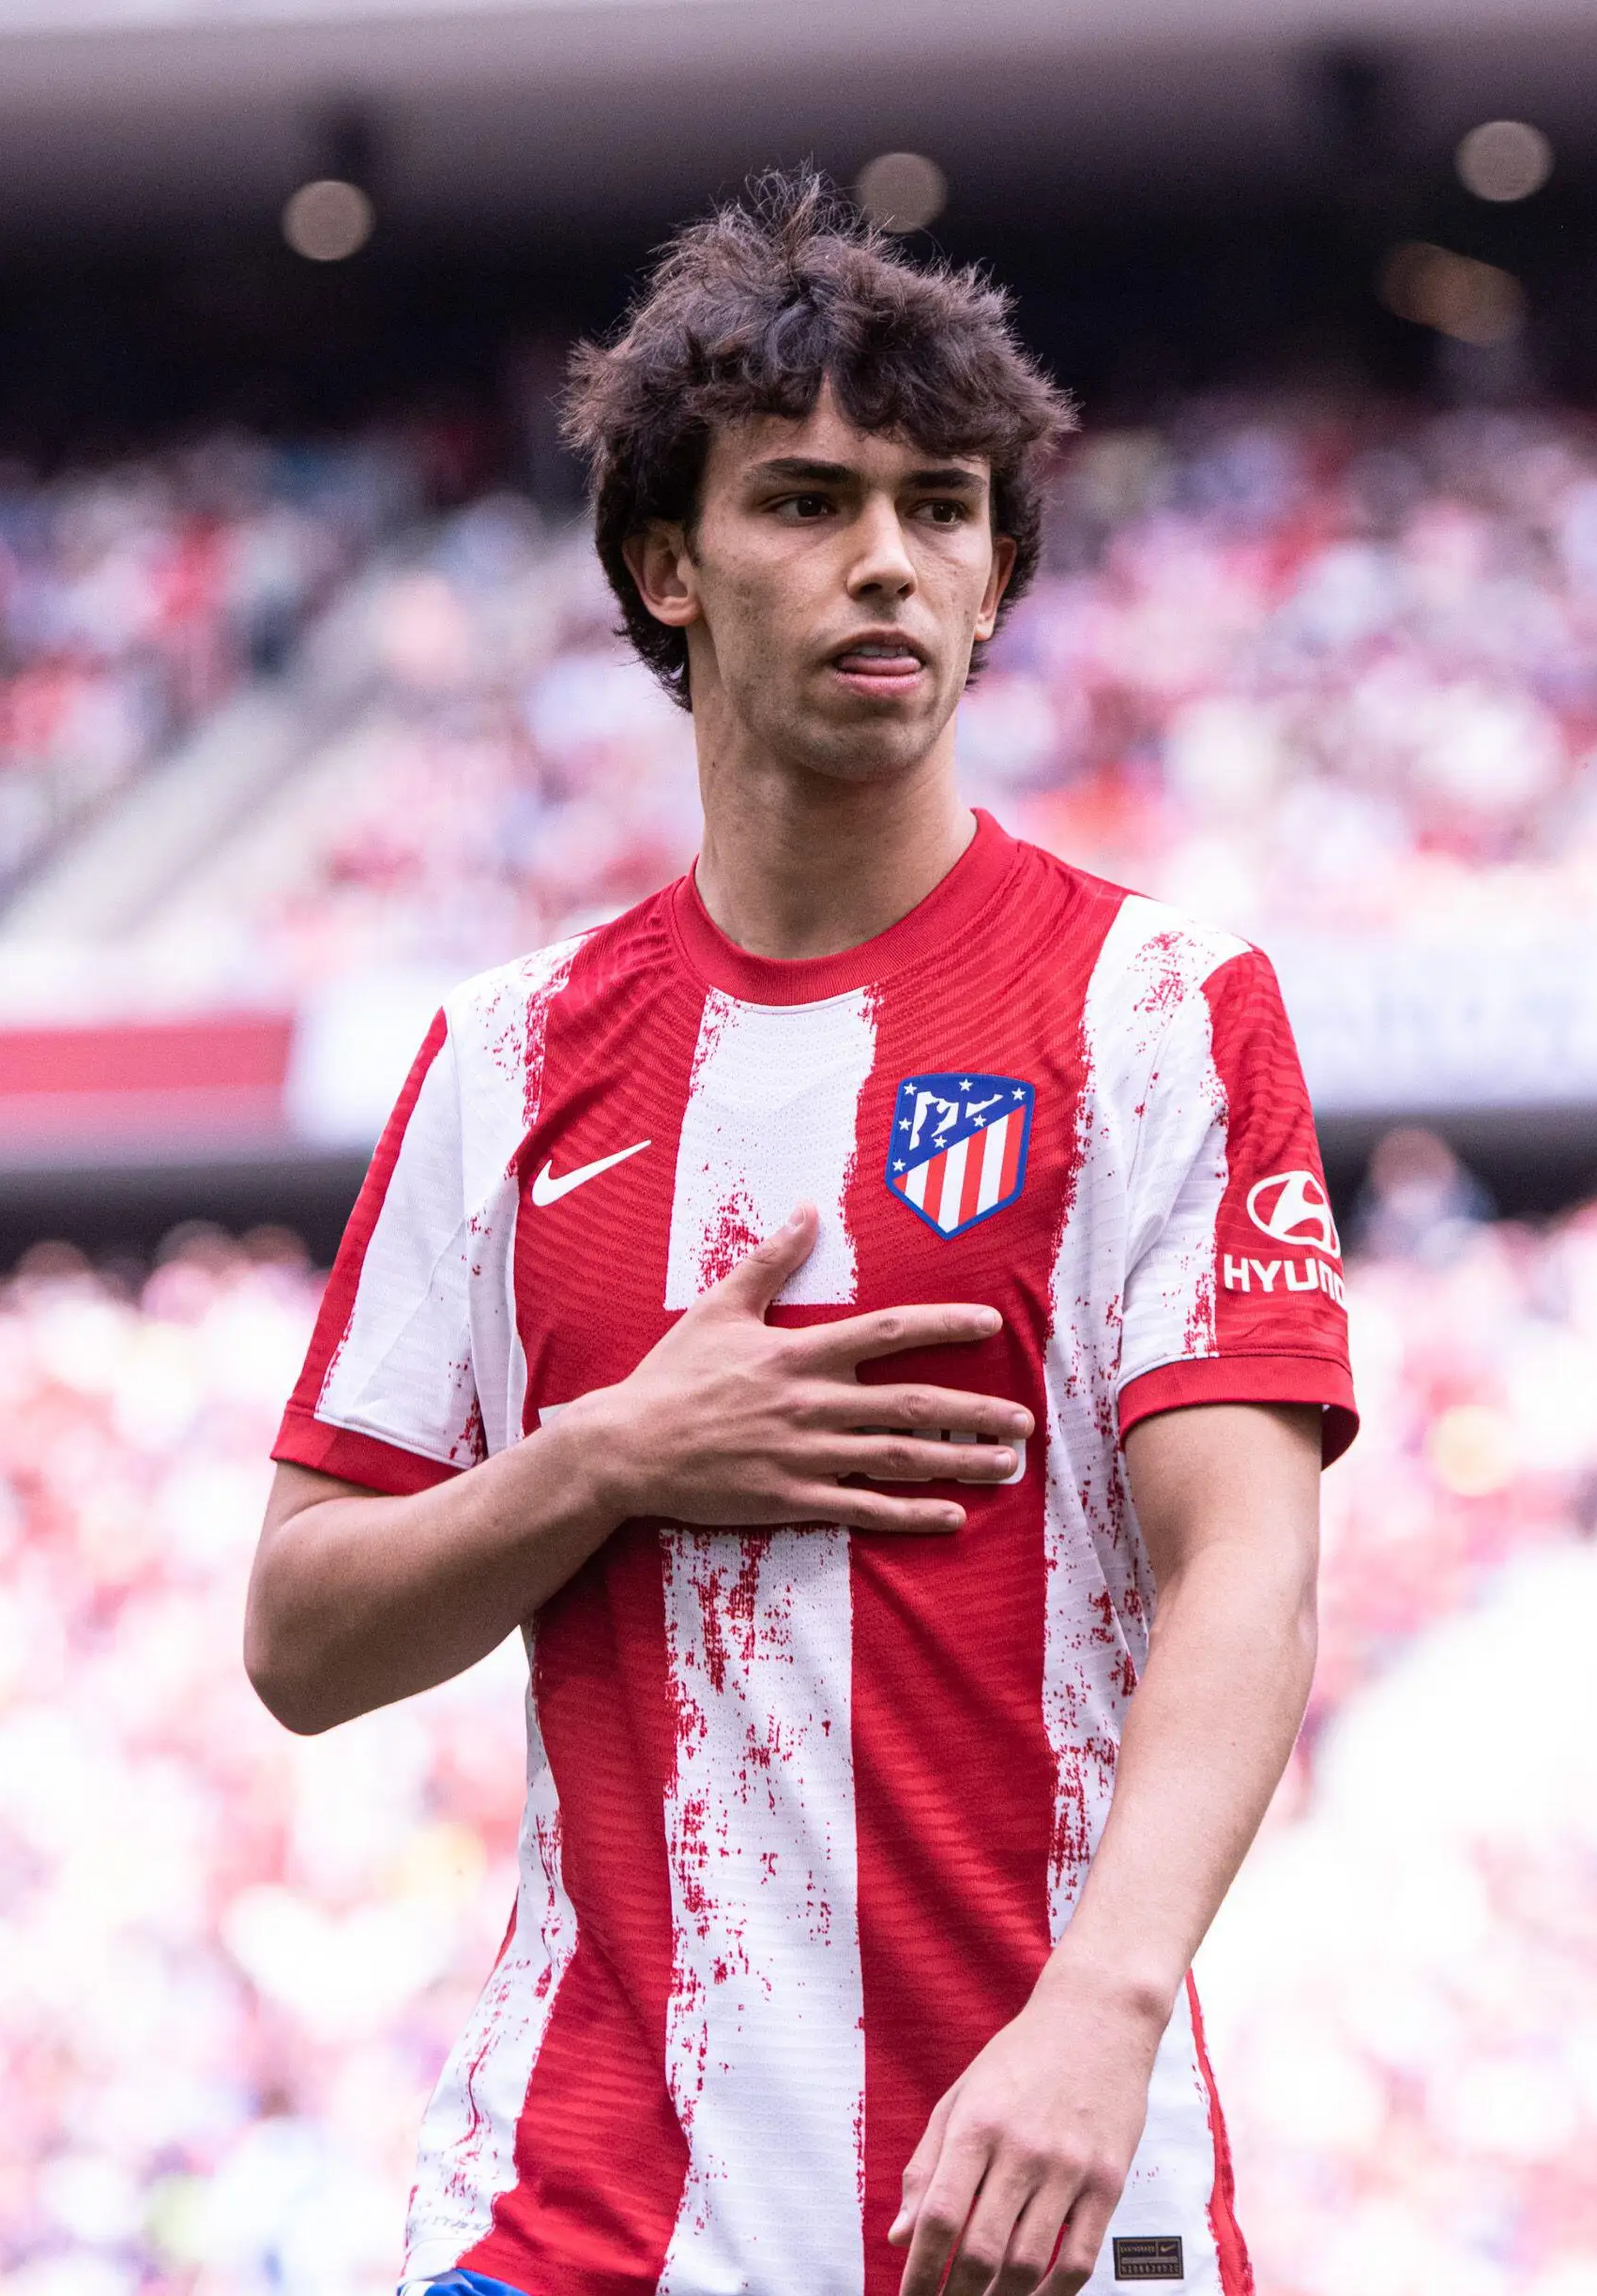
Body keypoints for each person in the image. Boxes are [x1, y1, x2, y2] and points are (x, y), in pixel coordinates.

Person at [244, 171, 1352, 2296]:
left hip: (1027, 2187)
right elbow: (301, 1635)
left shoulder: (1155, 1010)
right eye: (807, 501)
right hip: (576, 2207)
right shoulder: (504, 1060)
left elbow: (1251, 1561)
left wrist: (1102, 2006)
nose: (889, 562)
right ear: (665, 565)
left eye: (945, 509)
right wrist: (604, 1456)